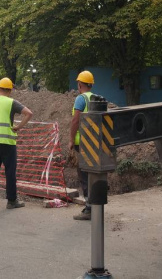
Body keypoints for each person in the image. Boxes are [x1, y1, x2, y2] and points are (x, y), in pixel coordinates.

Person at [0, 77, 32, 209]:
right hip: (8, 143)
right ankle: (11, 201)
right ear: (10, 91)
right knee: (10, 172)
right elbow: (29, 113)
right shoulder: (12, 102)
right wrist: (18, 127)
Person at [68, 70, 95, 221]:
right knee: (94, 174)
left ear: (79, 84)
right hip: (95, 142)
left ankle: (89, 209)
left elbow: (75, 121)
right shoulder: (96, 98)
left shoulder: (81, 99)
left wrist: (71, 139)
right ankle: (96, 205)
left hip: (83, 143)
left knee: (84, 176)